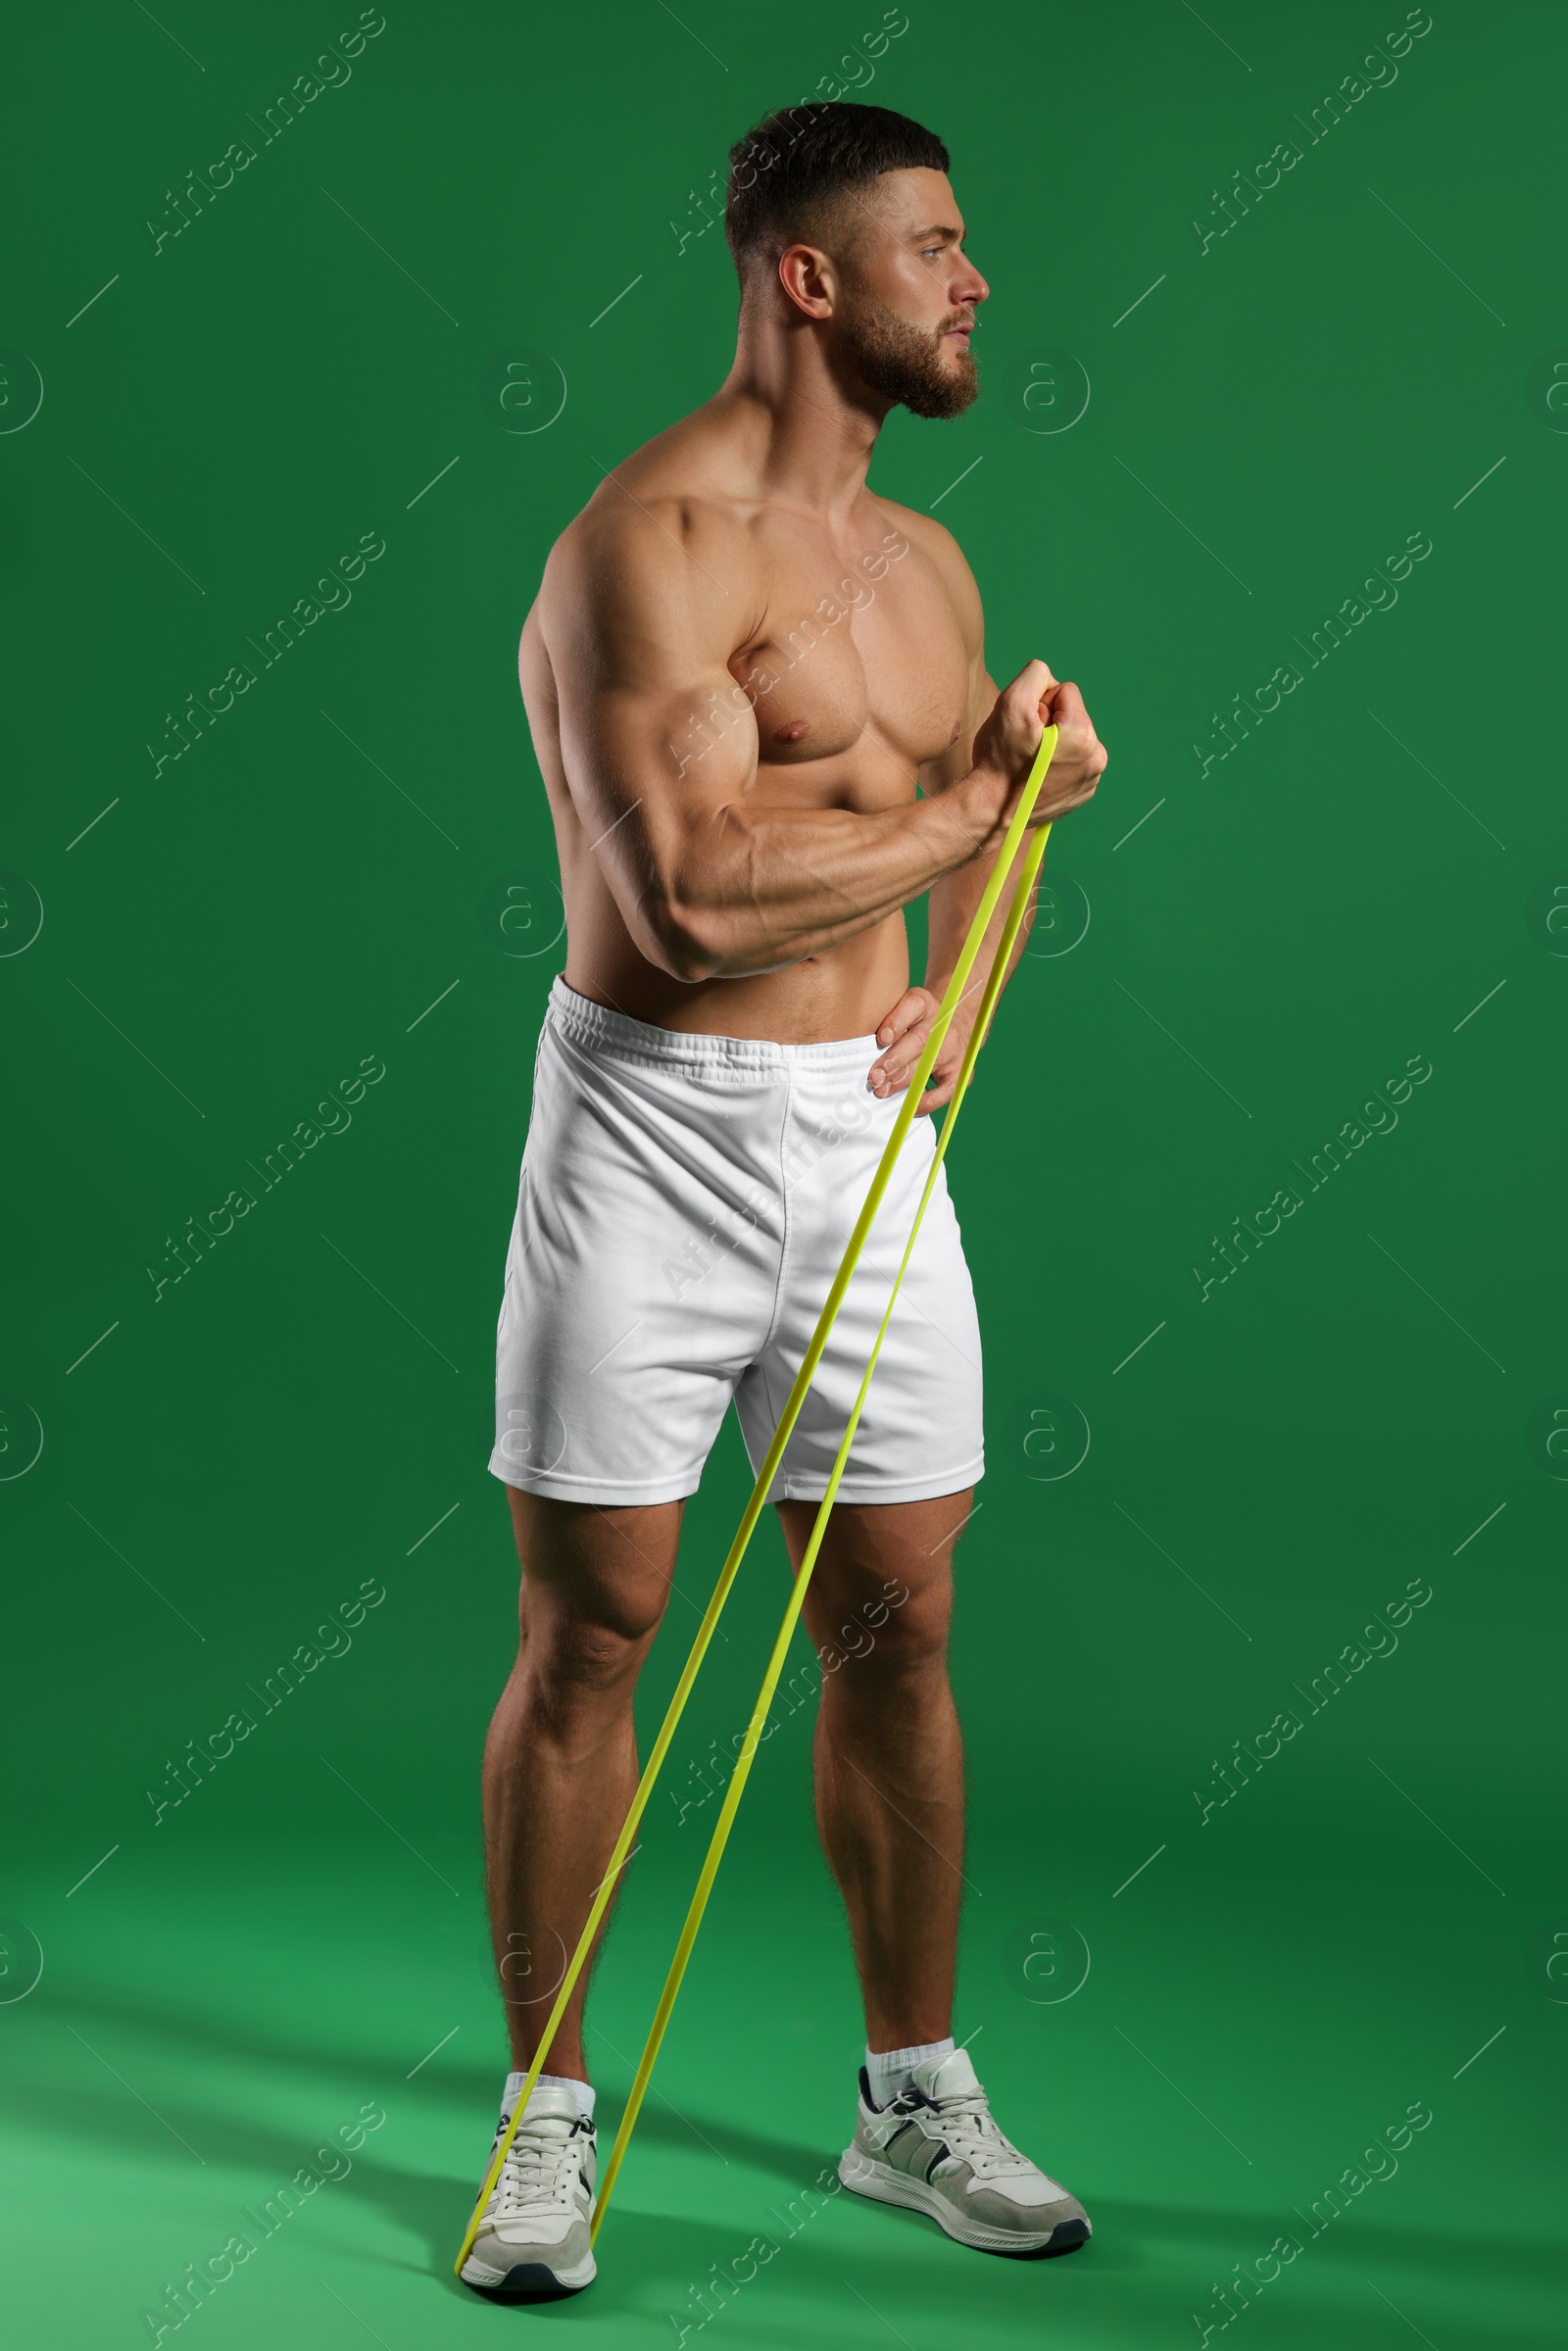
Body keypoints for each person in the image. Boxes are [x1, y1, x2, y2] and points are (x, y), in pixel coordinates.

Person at [461, 100, 1107, 2298]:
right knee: (594, 1636)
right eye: (937, 242)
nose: (975, 279)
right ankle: (543, 2125)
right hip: (644, 1131)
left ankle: (907, 2095)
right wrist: (976, 821)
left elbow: (961, 851)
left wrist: (972, 954)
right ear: (807, 277)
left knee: (899, 1621)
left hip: (863, 1141)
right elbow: (693, 891)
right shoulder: (644, 546)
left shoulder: (925, 568)